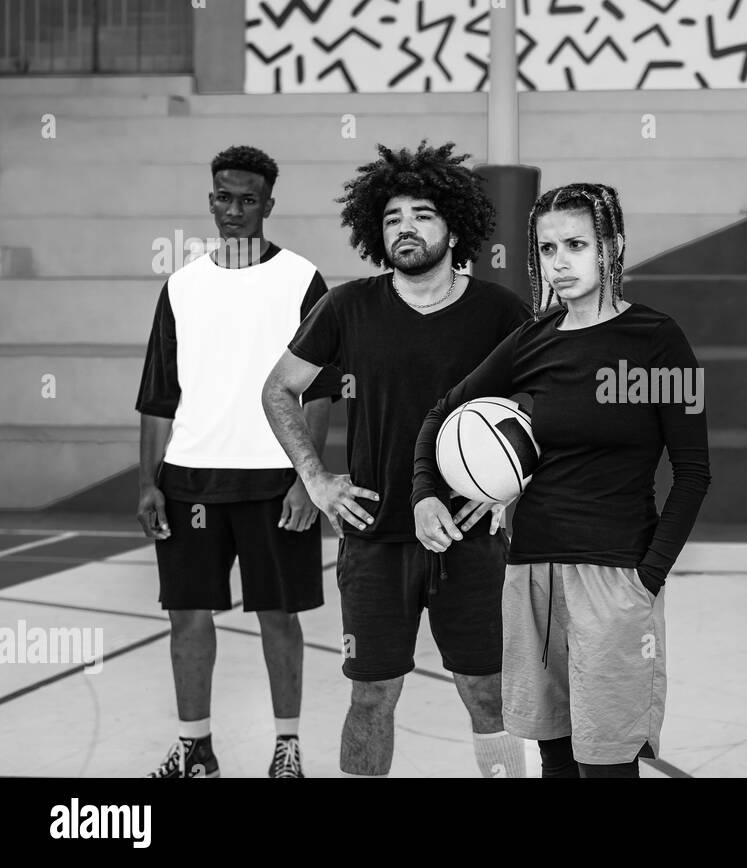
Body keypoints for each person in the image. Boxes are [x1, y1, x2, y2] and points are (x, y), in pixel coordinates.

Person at [412, 183, 711, 778]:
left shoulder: (656, 341)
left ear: (613, 247)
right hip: (529, 574)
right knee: (554, 759)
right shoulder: (532, 340)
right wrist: (425, 493)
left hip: (615, 575)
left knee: (606, 764)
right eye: (548, 249)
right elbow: (439, 412)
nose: (561, 262)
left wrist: (646, 579)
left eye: (577, 244)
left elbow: (694, 473)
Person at [262, 141, 531, 778]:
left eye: (422, 214)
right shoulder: (348, 306)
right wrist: (316, 478)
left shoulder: (499, 312)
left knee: (488, 693)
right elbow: (279, 389)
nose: (405, 227)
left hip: (470, 534)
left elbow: (542, 411)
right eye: (391, 218)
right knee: (373, 695)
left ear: (454, 226)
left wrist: (508, 490)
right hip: (375, 534)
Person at [136, 145, 342, 778]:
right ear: (210, 200)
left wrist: (308, 480)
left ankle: (287, 748)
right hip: (190, 480)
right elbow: (158, 396)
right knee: (187, 615)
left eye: (247, 199)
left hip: (276, 482)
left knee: (280, 618)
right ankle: (195, 746)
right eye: (223, 197)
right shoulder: (181, 286)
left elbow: (321, 389)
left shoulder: (302, 279)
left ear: (268, 205)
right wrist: (149, 481)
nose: (233, 210)